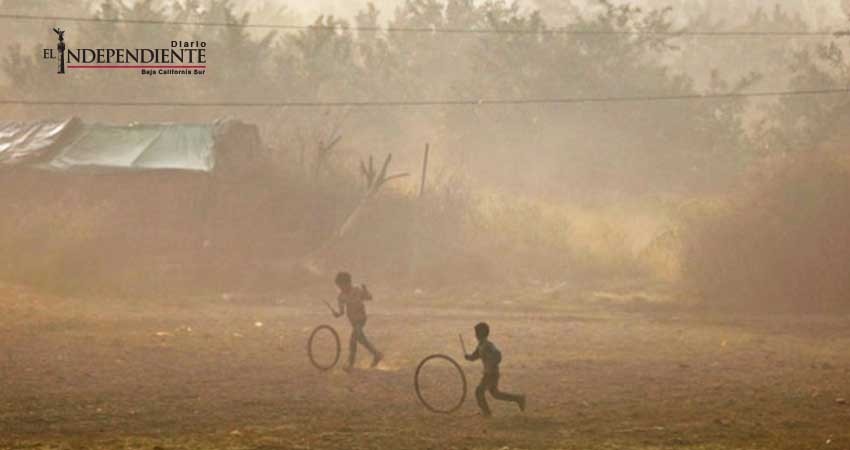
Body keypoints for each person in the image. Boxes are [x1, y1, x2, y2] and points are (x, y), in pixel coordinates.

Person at [464, 322, 526, 417]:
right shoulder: (481, 345)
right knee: (496, 394)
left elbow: (498, 355)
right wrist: (468, 357)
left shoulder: (488, 345)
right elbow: (474, 356)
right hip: (490, 373)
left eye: (477, 332)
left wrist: (492, 362)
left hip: (491, 374)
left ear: (480, 334)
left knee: (479, 391)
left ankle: (487, 413)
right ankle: (519, 398)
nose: (475, 334)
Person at [330, 271, 383, 371]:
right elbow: (341, 312)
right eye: (339, 286)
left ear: (347, 283)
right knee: (361, 339)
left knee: (353, 339)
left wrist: (365, 290)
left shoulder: (357, 290)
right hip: (353, 321)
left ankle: (350, 364)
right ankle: (377, 354)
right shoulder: (341, 297)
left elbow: (369, 297)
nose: (340, 288)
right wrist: (336, 314)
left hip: (361, 318)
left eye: (341, 285)